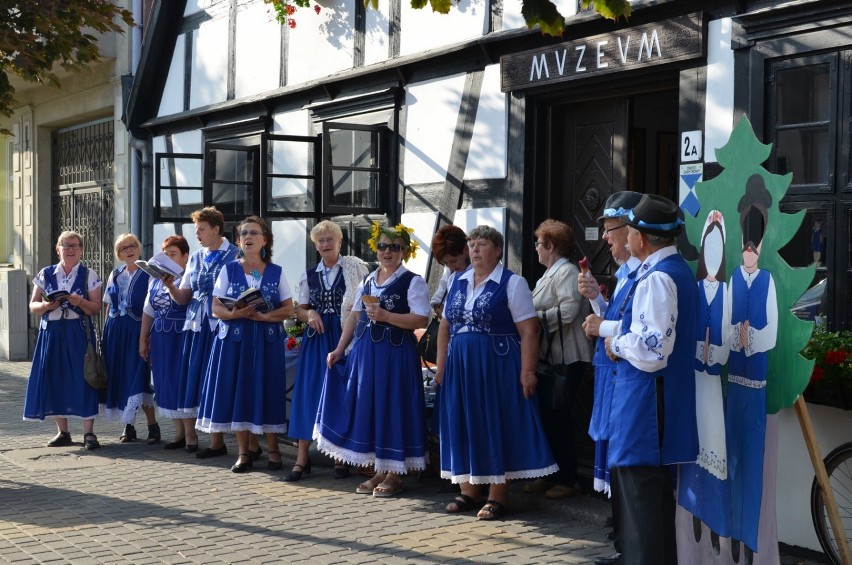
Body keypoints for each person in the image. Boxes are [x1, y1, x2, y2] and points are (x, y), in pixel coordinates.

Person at [436, 225, 557, 521]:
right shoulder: (457, 281)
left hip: (497, 364)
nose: (475, 249)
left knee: (492, 422)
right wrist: (441, 367)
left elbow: (529, 330)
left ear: (498, 250)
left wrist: (528, 371)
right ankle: (468, 489)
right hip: (460, 365)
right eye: (472, 244)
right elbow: (444, 327)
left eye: (482, 244)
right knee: (463, 421)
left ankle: (497, 494)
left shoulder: (512, 283)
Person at [604, 194, 699, 565]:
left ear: (641, 238)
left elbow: (652, 350)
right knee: (651, 506)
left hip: (646, 404)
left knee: (644, 509)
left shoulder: (658, 279)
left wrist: (616, 343)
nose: (625, 239)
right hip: (654, 400)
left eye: (628, 232)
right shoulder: (671, 270)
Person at [315, 221, 429, 497]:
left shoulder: (412, 281)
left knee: (393, 408)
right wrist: (340, 348)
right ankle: (380, 468)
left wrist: (388, 317)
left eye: (394, 247)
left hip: (395, 356)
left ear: (404, 251)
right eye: (382, 246)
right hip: (366, 354)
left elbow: (422, 318)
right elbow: (355, 315)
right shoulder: (367, 280)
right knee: (373, 408)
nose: (387, 251)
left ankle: (395, 473)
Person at [197, 216, 293, 473]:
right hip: (235, 340)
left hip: (266, 341)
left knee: (268, 391)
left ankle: (274, 450)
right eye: (243, 234)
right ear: (239, 241)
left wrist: (265, 316)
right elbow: (216, 306)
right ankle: (243, 453)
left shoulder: (277, 271)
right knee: (239, 391)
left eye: (253, 233)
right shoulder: (229, 269)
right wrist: (235, 314)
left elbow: (288, 308)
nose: (248, 237)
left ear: (265, 240)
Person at [580, 190, 643, 565]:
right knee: (617, 466)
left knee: (626, 465)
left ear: (631, 230)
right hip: (613, 376)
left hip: (627, 379)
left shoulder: (645, 273)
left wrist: (603, 325)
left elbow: (635, 328)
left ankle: (627, 543)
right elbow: (615, 320)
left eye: (610, 229)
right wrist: (594, 301)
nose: (605, 237)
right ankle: (621, 540)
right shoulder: (625, 273)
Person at [285, 220, 368, 482]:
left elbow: (363, 303)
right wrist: (309, 313)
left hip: (345, 334)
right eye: (320, 240)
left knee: (340, 394)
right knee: (309, 393)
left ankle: (339, 456)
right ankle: (301, 459)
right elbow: (299, 308)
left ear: (340, 242)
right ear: (315, 244)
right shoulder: (310, 274)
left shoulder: (354, 269)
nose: (325, 244)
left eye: (330, 239)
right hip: (317, 338)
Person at [726, 175, 777, 563]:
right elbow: (725, 325)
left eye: (753, 243)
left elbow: (772, 332)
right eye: (745, 242)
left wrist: (752, 339)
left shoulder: (767, 281)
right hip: (734, 382)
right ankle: (731, 532)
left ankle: (750, 538)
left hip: (755, 380)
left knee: (752, 460)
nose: (748, 250)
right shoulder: (731, 281)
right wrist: (733, 339)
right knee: (732, 457)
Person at [678, 209, 732, 555]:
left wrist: (716, 351)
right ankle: (692, 516)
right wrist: (700, 348)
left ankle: (715, 519)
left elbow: (727, 336)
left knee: (715, 443)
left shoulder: (726, 292)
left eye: (718, 250)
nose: (712, 257)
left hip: (712, 383)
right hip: (693, 380)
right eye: (707, 250)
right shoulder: (693, 288)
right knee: (693, 445)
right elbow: (684, 332)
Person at [526, 219, 591, 499]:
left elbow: (569, 311)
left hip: (567, 359)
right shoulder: (548, 274)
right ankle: (551, 474)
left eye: (539, 243)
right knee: (549, 418)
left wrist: (535, 321)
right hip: (552, 359)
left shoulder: (565, 271)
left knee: (560, 418)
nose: (536, 248)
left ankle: (567, 478)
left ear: (550, 246)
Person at [166, 206, 239, 456]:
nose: (197, 234)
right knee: (197, 379)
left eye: (201, 229)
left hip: (221, 325)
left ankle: (224, 442)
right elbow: (185, 296)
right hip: (196, 326)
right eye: (196, 229)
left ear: (216, 229)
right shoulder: (196, 257)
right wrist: (170, 287)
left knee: (216, 379)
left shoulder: (235, 254)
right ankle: (209, 440)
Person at [23, 231, 104, 450]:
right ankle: (63, 431)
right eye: (65, 245)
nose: (70, 249)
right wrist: (46, 306)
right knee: (54, 377)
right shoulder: (46, 273)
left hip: (78, 332)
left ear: (81, 250)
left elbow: (96, 308)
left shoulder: (89, 274)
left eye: (74, 246)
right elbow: (33, 305)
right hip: (51, 331)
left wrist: (80, 302)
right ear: (57, 249)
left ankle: (89, 433)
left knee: (84, 377)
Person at [101, 233, 159, 443]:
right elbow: (109, 305)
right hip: (115, 332)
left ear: (139, 248)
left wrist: (150, 334)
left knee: (138, 375)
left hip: (137, 330)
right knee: (121, 375)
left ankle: (153, 426)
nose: (129, 250)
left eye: (132, 245)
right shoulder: (115, 274)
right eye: (124, 248)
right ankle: (129, 426)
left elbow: (153, 307)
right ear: (119, 254)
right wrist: (105, 335)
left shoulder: (149, 273)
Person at [139, 235, 193, 449]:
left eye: (173, 254)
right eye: (165, 254)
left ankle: (191, 434)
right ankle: (178, 432)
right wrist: (142, 339)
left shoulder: (187, 277)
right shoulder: (154, 281)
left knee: (181, 381)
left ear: (185, 256)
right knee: (165, 382)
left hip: (180, 334)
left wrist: (171, 286)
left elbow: (185, 300)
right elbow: (148, 310)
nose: (168, 258)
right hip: (160, 335)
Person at [429, 224, 471, 317]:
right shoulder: (451, 272)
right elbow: (437, 300)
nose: (451, 266)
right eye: (446, 263)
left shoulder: (482, 270)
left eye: (453, 261)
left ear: (466, 250)